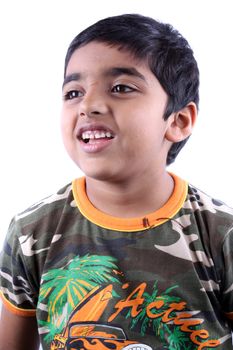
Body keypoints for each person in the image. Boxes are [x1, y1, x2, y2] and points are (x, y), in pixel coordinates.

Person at [0, 13, 232, 350]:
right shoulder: (31, 233)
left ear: (179, 121)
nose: (89, 105)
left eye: (121, 88)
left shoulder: (220, 233)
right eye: (73, 92)